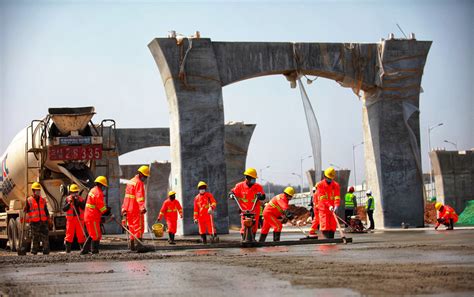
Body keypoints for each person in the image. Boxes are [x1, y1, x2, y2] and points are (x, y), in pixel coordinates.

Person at [229, 168, 266, 240]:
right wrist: (231, 195)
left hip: (255, 209)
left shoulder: (258, 187)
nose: (253, 180)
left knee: (254, 226)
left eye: (254, 179)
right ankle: (244, 239)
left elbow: (263, 196)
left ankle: (253, 239)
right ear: (247, 178)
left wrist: (260, 196)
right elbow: (232, 192)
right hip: (244, 210)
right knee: (244, 226)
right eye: (252, 179)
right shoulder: (239, 186)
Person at [121, 165, 150, 251]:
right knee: (138, 227)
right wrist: (142, 208)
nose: (145, 178)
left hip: (129, 209)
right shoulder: (139, 183)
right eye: (145, 176)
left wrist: (124, 208)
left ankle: (132, 246)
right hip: (135, 209)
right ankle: (139, 246)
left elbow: (126, 197)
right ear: (141, 174)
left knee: (131, 227)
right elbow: (139, 197)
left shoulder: (130, 181)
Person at [81, 176, 111, 255]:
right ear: (101, 185)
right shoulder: (98, 193)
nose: (104, 187)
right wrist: (107, 211)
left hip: (90, 215)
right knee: (95, 235)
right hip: (92, 216)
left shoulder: (93, 190)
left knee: (94, 233)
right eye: (104, 186)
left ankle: (85, 250)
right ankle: (94, 250)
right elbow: (100, 206)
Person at [23, 182, 50, 255]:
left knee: (45, 236)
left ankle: (46, 250)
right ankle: (34, 251)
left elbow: (45, 210)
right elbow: (25, 210)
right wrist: (25, 207)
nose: (38, 191)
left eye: (39, 190)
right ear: (33, 191)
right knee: (35, 237)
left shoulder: (43, 200)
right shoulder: (29, 200)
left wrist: (48, 218)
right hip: (34, 222)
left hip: (43, 221)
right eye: (36, 190)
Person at [315, 167, 341, 239]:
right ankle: (326, 242)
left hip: (332, 209)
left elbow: (337, 197)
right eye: (328, 178)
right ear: (325, 176)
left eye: (331, 178)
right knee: (325, 225)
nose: (330, 180)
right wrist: (329, 206)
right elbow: (322, 198)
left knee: (332, 225)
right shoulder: (320, 185)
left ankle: (331, 240)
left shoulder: (336, 185)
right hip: (324, 209)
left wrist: (336, 205)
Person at [62, 184, 86, 253]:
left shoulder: (80, 199)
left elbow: (83, 207)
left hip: (79, 220)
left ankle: (82, 249)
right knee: (69, 235)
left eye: (76, 192)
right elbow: (64, 209)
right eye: (73, 192)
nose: (75, 194)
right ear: (70, 192)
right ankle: (68, 250)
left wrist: (78, 202)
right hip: (71, 220)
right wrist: (69, 204)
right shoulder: (67, 199)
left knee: (81, 235)